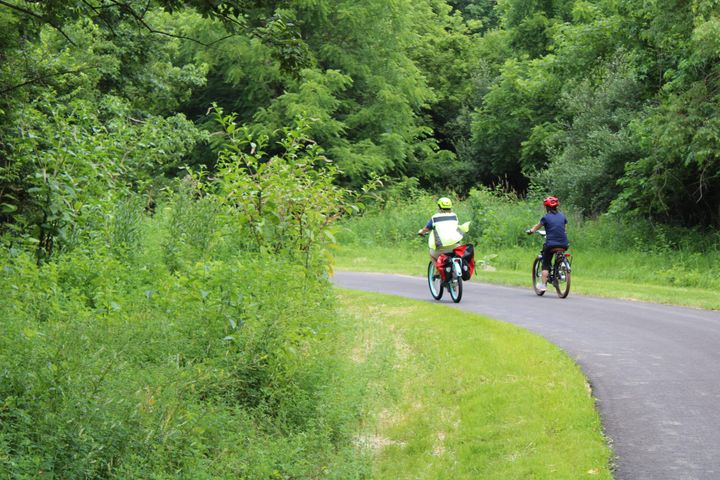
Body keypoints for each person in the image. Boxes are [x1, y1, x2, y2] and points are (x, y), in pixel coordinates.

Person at [526, 196, 569, 292]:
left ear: (546, 207)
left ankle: (543, 285)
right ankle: (560, 269)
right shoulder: (562, 216)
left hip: (551, 244)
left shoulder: (545, 217)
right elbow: (564, 230)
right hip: (564, 243)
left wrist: (531, 231)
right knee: (558, 255)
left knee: (546, 263)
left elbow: (537, 227)